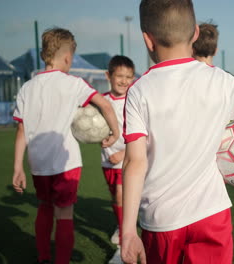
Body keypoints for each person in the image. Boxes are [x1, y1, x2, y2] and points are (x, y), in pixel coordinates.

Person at [121, 1, 234, 263]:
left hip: (162, 219)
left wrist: (128, 231)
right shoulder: (222, 80)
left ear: (147, 40)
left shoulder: (138, 91)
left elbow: (135, 162)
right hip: (212, 213)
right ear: (195, 34)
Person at [11, 27, 120, 264]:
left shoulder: (27, 88)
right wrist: (115, 132)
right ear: (68, 57)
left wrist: (18, 166)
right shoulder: (73, 84)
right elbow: (107, 106)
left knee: (44, 207)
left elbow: (21, 129)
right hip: (66, 162)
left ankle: (43, 257)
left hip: (38, 163)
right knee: (64, 213)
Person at [101, 55, 135, 263]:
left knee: (123, 197)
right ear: (108, 76)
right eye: (119, 76)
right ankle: (122, 225)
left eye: (129, 77)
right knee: (116, 198)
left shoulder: (134, 99)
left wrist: (124, 153)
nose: (124, 81)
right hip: (108, 160)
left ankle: (124, 245)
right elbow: (93, 130)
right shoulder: (102, 102)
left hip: (130, 159)